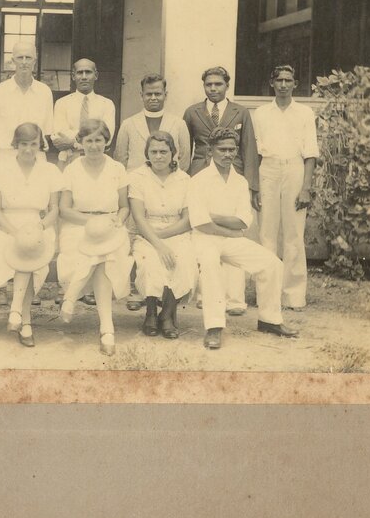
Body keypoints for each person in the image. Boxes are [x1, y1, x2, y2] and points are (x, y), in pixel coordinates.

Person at [188, 127, 297, 350]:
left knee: (271, 264)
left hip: (229, 240)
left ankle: (269, 320)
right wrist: (228, 228)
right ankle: (214, 326)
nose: (228, 154)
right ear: (210, 151)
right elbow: (200, 223)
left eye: (232, 149)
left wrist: (215, 217)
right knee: (210, 263)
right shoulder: (198, 180)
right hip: (205, 239)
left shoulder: (239, 182)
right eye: (222, 149)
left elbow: (243, 220)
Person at [0, 123, 62, 346]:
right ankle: (25, 320)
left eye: (33, 144)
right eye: (23, 144)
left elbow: (54, 210)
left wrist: (39, 228)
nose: (29, 149)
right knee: (24, 247)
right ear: (16, 144)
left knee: (30, 247)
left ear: (40, 145)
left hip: (39, 226)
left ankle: (17, 312)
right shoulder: (2, 169)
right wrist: (15, 232)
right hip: (6, 227)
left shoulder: (50, 170)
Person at [114, 72, 191, 312]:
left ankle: (165, 292)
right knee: (136, 239)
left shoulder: (178, 124)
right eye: (149, 94)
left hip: (165, 188)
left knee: (167, 245)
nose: (154, 98)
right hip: (136, 189)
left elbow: (184, 159)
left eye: (158, 93)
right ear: (141, 95)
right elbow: (120, 158)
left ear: (166, 95)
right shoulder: (129, 124)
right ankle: (138, 291)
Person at [182, 65, 256, 316]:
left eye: (218, 84)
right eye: (209, 84)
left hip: (231, 173)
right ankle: (205, 293)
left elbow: (248, 148)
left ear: (227, 85)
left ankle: (234, 297)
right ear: (203, 86)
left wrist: (252, 185)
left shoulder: (241, 112)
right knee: (203, 236)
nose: (213, 88)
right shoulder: (192, 112)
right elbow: (185, 148)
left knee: (231, 235)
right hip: (200, 173)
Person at [56, 119, 133, 356]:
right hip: (78, 225)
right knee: (100, 257)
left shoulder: (117, 169)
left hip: (109, 226)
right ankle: (107, 329)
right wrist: (91, 222)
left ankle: (71, 297)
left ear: (106, 142)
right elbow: (64, 209)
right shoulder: (72, 169)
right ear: (80, 142)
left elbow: (124, 207)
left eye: (98, 140)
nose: (93, 145)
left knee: (105, 257)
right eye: (88, 140)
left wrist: (118, 221)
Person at [251, 65, 320, 310]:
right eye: (278, 80)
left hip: (294, 169)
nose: (283, 85)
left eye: (288, 80)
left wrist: (306, 188)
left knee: (293, 234)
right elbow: (255, 153)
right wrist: (254, 187)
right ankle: (266, 293)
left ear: (295, 84)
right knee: (266, 233)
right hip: (267, 170)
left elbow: (310, 153)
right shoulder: (260, 113)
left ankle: (294, 294)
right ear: (271, 83)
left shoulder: (305, 113)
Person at [127, 132, 197, 339]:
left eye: (163, 151)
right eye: (154, 152)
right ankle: (150, 313)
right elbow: (139, 218)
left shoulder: (184, 179)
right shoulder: (138, 177)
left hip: (177, 232)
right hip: (147, 233)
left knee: (184, 261)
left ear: (173, 152)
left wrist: (164, 236)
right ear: (147, 154)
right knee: (150, 263)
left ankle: (166, 314)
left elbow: (188, 219)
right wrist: (158, 243)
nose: (158, 156)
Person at [0, 40, 54, 175]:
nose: (24, 62)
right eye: (20, 57)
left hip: (36, 155)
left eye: (28, 57)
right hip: (4, 155)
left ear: (35, 60)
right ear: (13, 60)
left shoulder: (45, 92)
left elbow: (47, 130)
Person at [52, 58, 116, 167]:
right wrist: (93, 136)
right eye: (80, 73)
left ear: (96, 75)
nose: (84, 77)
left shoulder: (106, 104)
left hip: (97, 161)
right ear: (73, 76)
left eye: (88, 72)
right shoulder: (62, 103)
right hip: (68, 161)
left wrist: (72, 142)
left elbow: (107, 138)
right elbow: (59, 136)